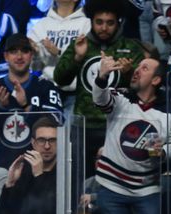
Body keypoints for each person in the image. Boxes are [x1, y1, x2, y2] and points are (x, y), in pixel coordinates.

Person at [92, 54, 171, 214]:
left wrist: (164, 152)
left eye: (145, 68)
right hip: (111, 186)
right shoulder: (120, 99)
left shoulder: (167, 114)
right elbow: (100, 99)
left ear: (156, 80)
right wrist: (102, 76)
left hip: (147, 189)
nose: (137, 70)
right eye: (138, 66)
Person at [53, 0, 145, 178]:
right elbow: (60, 79)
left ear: (118, 22)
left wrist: (129, 74)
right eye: (99, 22)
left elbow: (143, 89)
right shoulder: (80, 44)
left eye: (110, 23)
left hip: (117, 125)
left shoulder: (131, 47)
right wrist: (77, 58)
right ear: (91, 22)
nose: (104, 28)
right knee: (77, 179)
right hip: (83, 125)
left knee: (114, 178)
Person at [0, 33, 64, 169]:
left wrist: (26, 106)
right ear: (6, 56)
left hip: (38, 168)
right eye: (14, 51)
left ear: (31, 55)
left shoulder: (46, 87)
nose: (19, 56)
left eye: (25, 51)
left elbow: (57, 125)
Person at [0, 117, 59, 214]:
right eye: (41, 140)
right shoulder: (25, 173)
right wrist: (10, 184)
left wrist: (39, 176)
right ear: (33, 143)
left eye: (52, 140)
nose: (46, 146)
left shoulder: (66, 173)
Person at [28, 0, 90, 110]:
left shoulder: (87, 24)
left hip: (76, 93)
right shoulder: (41, 25)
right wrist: (36, 54)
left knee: (71, 127)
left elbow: (88, 61)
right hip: (48, 92)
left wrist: (58, 53)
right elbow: (35, 67)